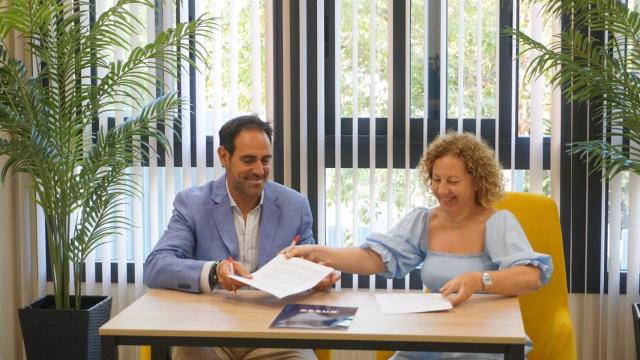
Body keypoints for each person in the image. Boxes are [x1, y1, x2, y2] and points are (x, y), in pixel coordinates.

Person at [284, 132, 553, 360]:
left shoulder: (497, 222)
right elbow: (373, 259)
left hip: (480, 344)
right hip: (429, 343)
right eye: (436, 179)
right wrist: (315, 251)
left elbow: (531, 276)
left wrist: (479, 280)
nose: (442, 190)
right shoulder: (425, 221)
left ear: (477, 181)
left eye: (453, 181)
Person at [144, 114, 338, 360]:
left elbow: (309, 266)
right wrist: (215, 271)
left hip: (276, 335)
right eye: (248, 160)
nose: (259, 170)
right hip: (208, 334)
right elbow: (156, 266)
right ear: (224, 156)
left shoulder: (295, 205)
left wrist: (317, 278)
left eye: (265, 160)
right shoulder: (192, 203)